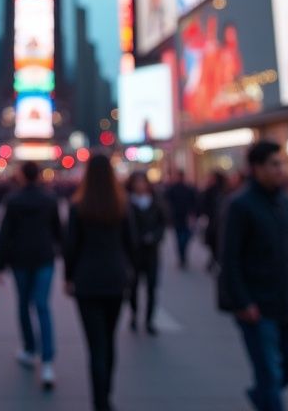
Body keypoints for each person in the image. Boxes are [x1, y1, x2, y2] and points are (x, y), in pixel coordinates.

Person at [219, 141, 288, 411]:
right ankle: (267, 399)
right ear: (257, 169)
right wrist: (243, 302)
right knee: (268, 374)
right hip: (257, 305)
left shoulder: (287, 202)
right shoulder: (240, 205)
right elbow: (229, 258)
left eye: (281, 163)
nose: (281, 169)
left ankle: (261, 397)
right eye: (274, 164)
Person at [64, 153, 133, 411]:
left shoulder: (78, 207)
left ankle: (99, 402)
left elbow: (71, 247)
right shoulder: (122, 205)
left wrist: (68, 277)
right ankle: (107, 395)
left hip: (87, 281)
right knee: (110, 339)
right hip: (115, 279)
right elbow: (131, 244)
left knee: (95, 345)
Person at [0, 161, 62, 390]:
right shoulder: (50, 199)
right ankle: (48, 362)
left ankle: (29, 349)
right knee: (43, 306)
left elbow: (5, 234)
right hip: (45, 258)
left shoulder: (13, 200)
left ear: (22, 176)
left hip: (20, 259)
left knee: (24, 304)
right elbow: (58, 231)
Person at [126, 171, 167, 335]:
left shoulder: (156, 201)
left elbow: (162, 223)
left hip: (151, 252)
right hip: (134, 253)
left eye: (143, 182)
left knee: (151, 287)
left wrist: (155, 237)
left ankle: (149, 320)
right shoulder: (127, 203)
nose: (140, 185)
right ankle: (134, 314)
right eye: (137, 182)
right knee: (133, 287)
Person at [163, 169, 198, 270]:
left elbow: (194, 202)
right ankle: (182, 257)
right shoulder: (174, 189)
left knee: (183, 237)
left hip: (183, 217)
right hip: (178, 217)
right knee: (180, 238)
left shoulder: (187, 188)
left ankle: (182, 256)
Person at [200, 171, 230, 272]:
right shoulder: (215, 191)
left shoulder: (222, 191)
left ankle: (215, 260)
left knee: (216, 242)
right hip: (214, 221)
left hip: (217, 221)